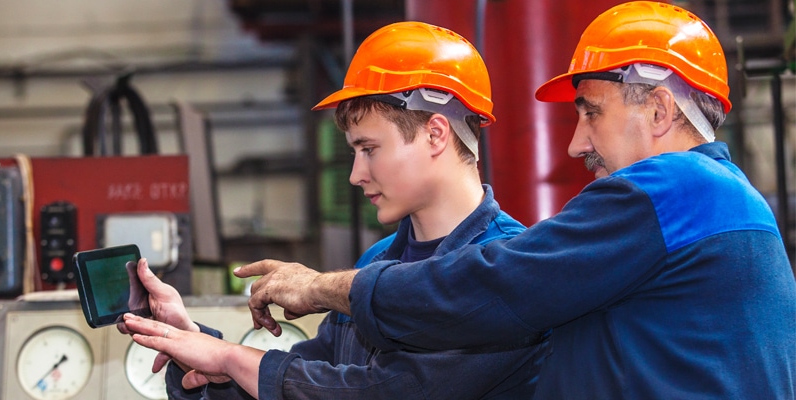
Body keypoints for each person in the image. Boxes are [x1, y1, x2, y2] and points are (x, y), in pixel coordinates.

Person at [229, 1, 796, 398]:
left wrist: (321, 287)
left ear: (660, 110)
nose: (575, 143)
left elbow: (490, 286)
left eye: (590, 111)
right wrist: (201, 351)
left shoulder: (675, 192)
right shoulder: (723, 202)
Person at [121, 21, 550, 399]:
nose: (355, 174)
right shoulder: (377, 263)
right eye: (353, 152)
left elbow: (386, 392)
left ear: (436, 134)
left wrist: (231, 357)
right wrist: (188, 340)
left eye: (369, 149)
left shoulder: (507, 274)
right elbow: (301, 383)